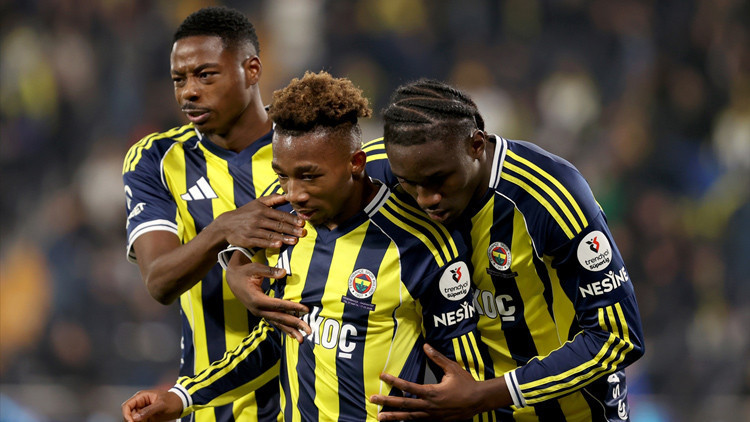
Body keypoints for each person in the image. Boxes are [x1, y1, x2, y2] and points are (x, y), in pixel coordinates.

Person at [239, 79, 646, 421]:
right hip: (465, 410)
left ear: (476, 145)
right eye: (410, 184)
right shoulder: (388, 164)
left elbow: (618, 337)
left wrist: (489, 393)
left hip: (571, 412)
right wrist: (236, 264)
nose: (426, 198)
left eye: (439, 180)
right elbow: (291, 191)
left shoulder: (549, 195)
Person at [121, 71, 490, 422]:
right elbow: (275, 340)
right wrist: (182, 397)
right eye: (283, 175)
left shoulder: (422, 245)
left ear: (355, 163)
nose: (294, 193)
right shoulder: (286, 229)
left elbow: (461, 381)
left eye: (310, 176)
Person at [122, 6, 304, 421]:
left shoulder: (305, 148)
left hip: (304, 400)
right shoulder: (157, 159)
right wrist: (222, 229)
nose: (189, 92)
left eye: (205, 75)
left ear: (251, 70)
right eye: (179, 79)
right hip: (209, 405)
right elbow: (159, 281)